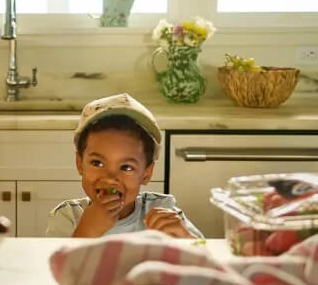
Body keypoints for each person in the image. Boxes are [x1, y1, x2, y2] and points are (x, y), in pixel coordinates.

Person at [46, 93, 203, 239]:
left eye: (126, 167)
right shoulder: (67, 217)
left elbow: (207, 258)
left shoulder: (163, 210)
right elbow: (50, 267)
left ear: (146, 174)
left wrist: (185, 239)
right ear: (80, 164)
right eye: (97, 163)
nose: (110, 178)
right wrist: (86, 232)